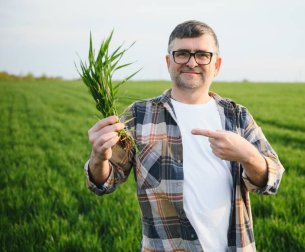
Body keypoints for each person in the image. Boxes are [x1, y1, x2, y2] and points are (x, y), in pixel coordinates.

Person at [84, 20, 285, 251]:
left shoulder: (237, 116)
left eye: (202, 55)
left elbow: (272, 181)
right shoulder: (139, 115)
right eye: (182, 54)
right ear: (169, 62)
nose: (191, 62)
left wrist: (248, 155)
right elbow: (104, 183)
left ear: (216, 65)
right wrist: (98, 157)